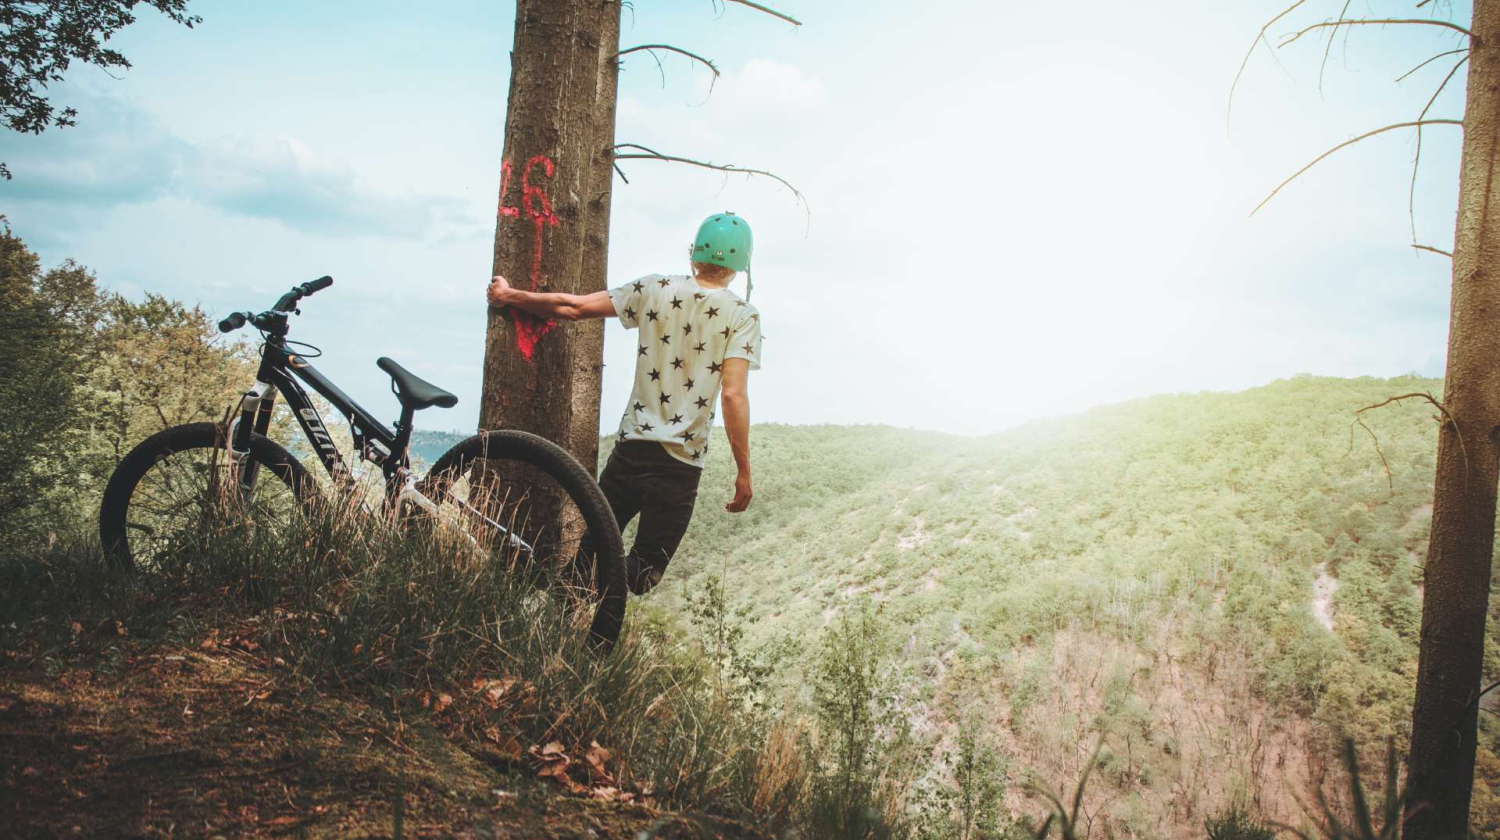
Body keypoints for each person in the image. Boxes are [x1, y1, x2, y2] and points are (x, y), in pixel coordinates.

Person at [485, 212, 762, 594]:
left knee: (588, 563)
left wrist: (509, 296)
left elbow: (574, 308)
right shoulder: (742, 315)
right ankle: (557, 613)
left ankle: (544, 612)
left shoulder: (654, 288)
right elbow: (733, 394)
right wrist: (743, 471)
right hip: (679, 466)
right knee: (643, 574)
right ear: (740, 266)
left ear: (694, 254)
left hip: (631, 450)